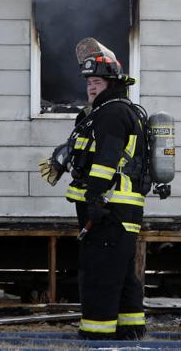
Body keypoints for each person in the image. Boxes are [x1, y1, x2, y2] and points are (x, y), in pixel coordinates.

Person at [40, 38, 147, 341]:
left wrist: (96, 198)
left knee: (100, 275)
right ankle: (130, 330)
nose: (91, 86)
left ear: (112, 82)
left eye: (97, 81)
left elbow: (106, 161)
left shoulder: (112, 113)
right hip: (119, 209)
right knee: (122, 274)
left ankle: (96, 335)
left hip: (108, 208)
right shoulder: (107, 112)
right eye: (89, 81)